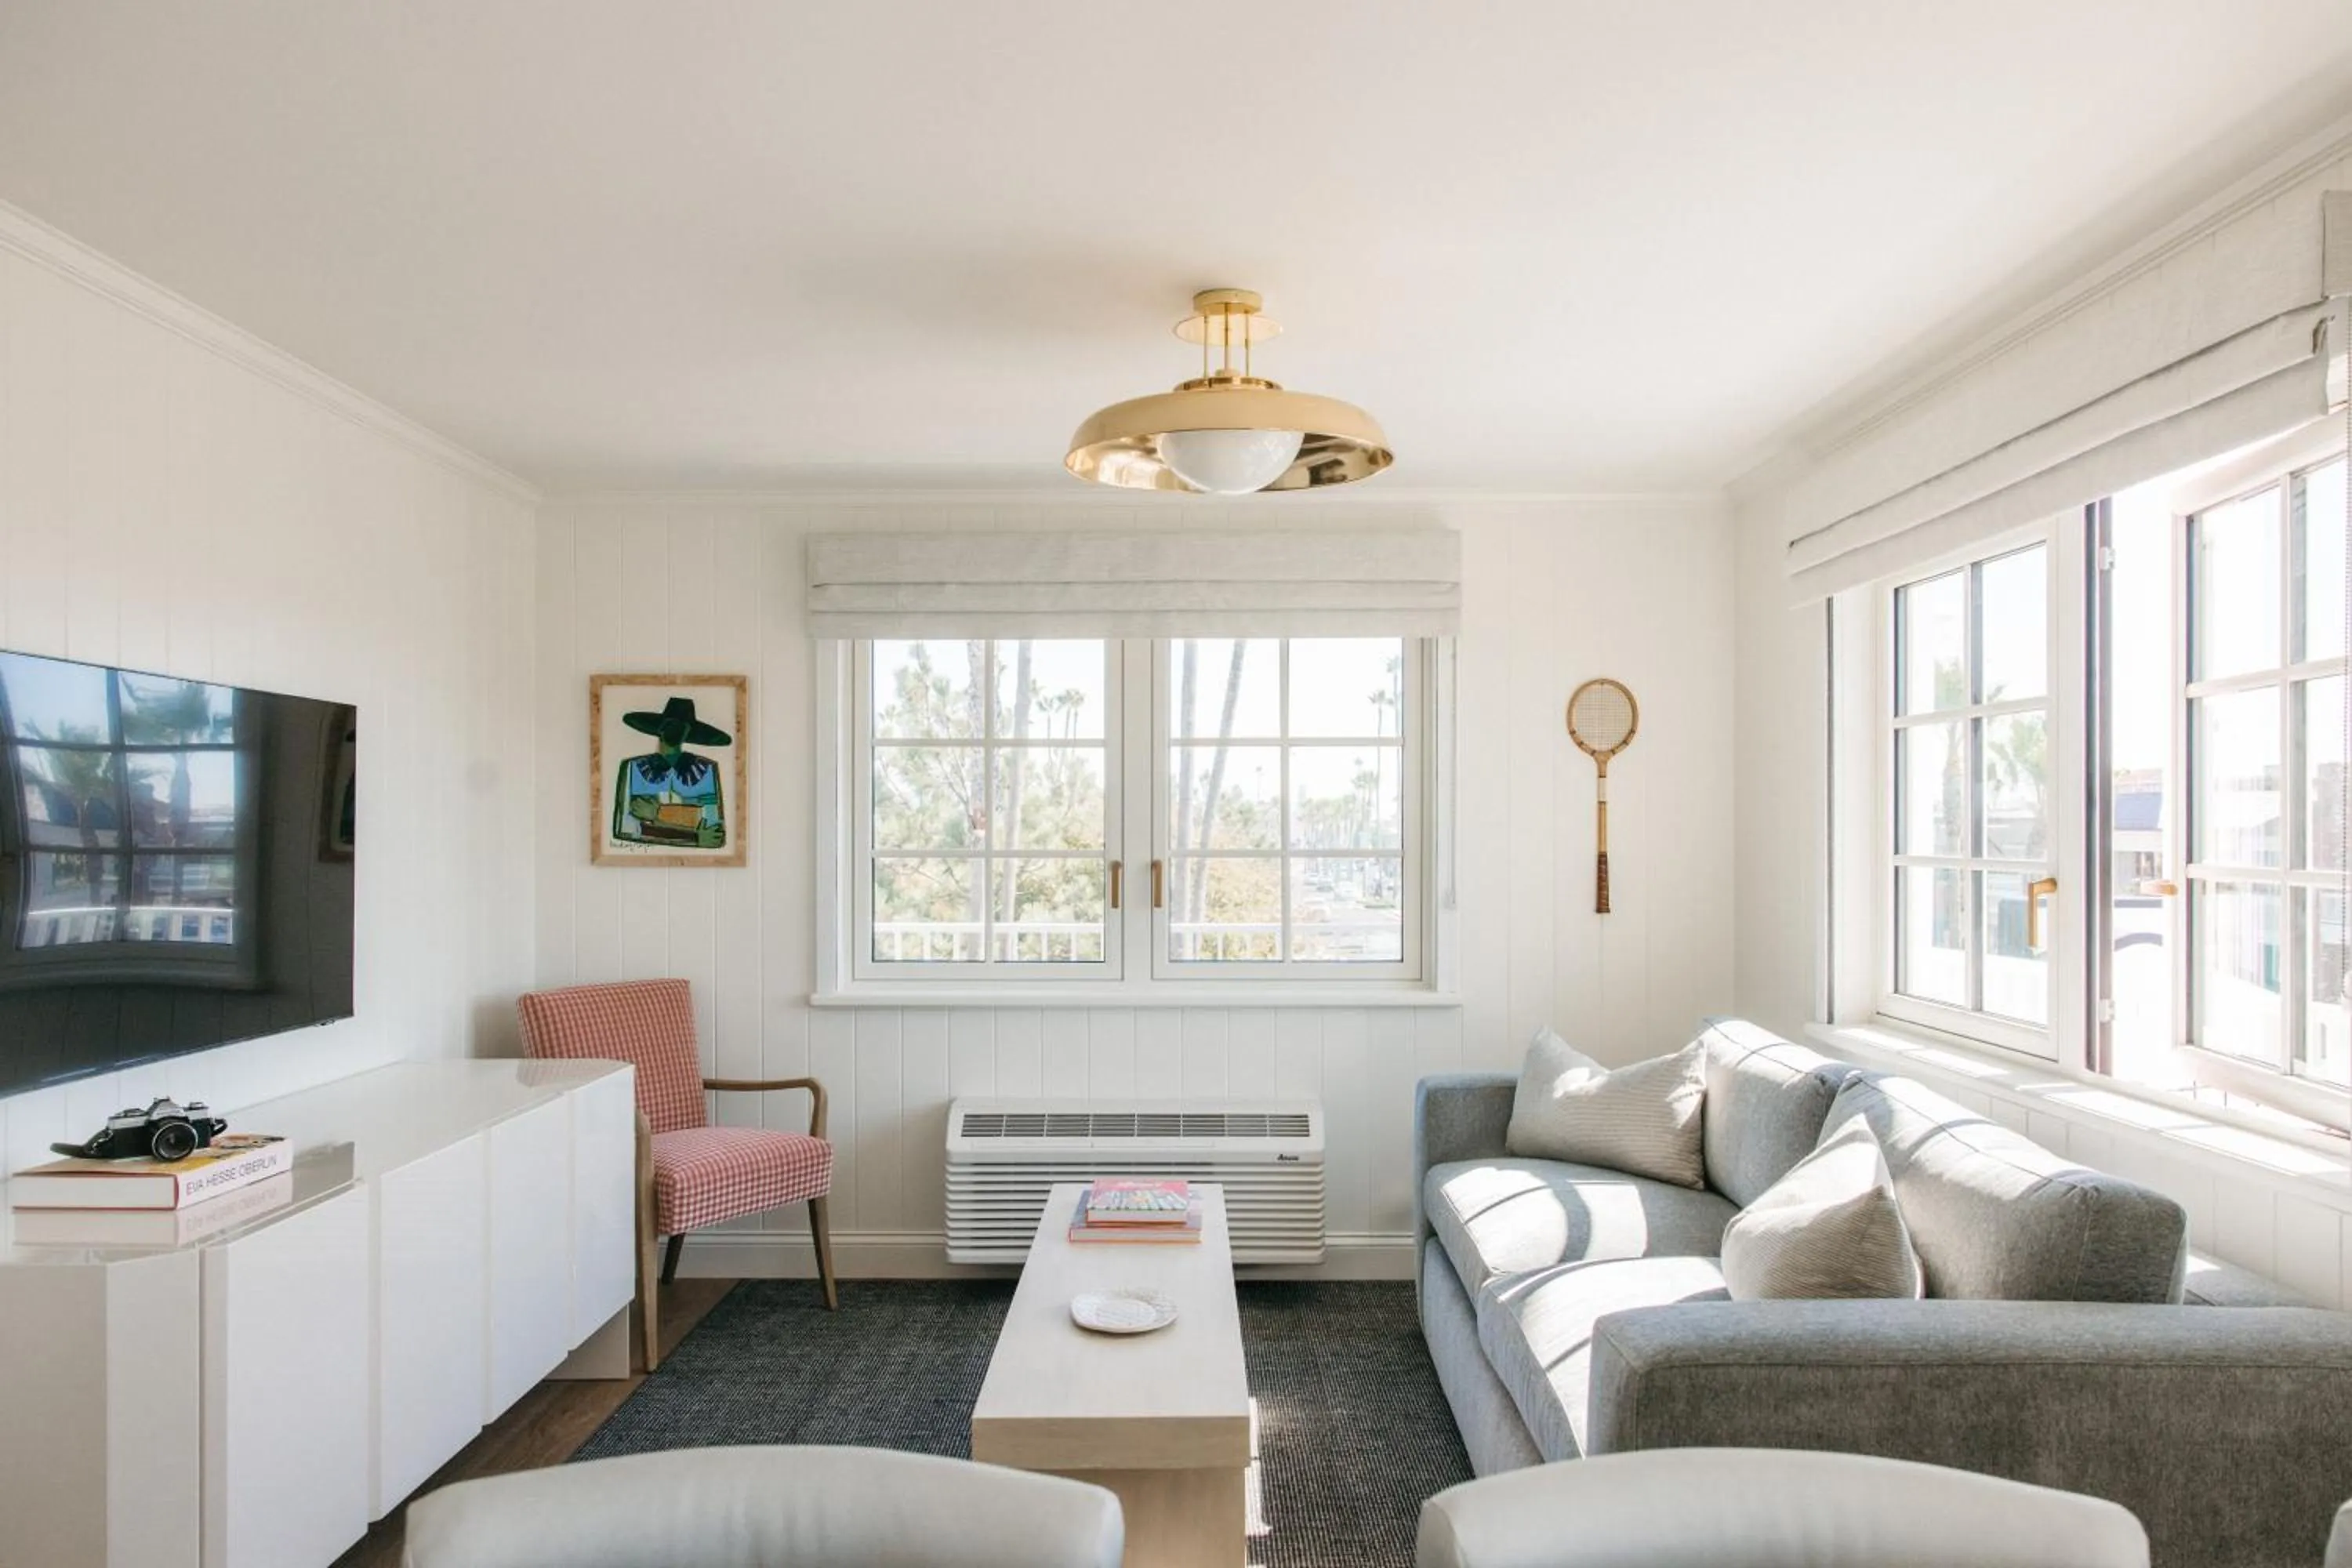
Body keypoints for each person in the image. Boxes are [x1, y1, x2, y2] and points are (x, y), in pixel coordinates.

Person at [611, 696, 730, 848]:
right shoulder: (633, 768)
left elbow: (713, 834)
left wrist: (659, 814)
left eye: (681, 728)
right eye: (670, 726)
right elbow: (628, 830)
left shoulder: (706, 770)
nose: (675, 731)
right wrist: (693, 833)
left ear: (688, 733)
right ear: (659, 729)